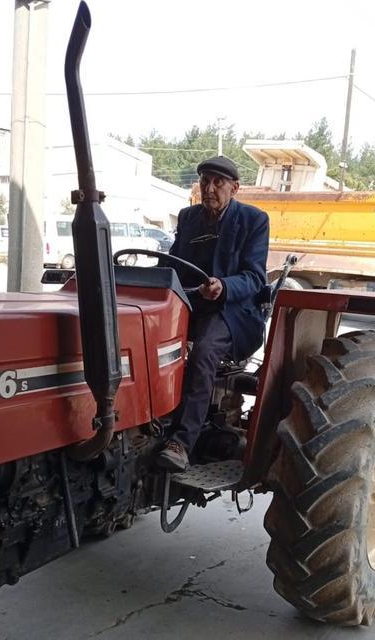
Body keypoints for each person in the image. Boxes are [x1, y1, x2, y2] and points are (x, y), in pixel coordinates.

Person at [157, 155, 269, 472]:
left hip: (231, 310)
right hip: (190, 302)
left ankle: (181, 443)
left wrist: (224, 286)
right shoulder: (188, 217)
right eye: (205, 181)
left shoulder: (253, 220)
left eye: (218, 182)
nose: (209, 188)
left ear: (235, 188)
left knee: (204, 351)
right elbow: (172, 263)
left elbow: (255, 277)